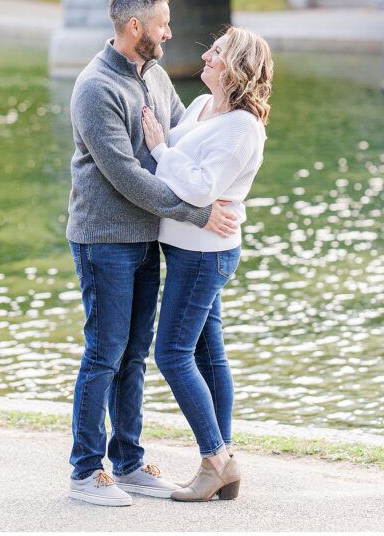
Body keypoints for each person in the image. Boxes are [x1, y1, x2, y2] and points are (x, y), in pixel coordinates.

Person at [66, 0, 240, 507]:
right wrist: (198, 213)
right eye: (162, 23)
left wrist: (234, 127)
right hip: (105, 239)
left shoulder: (156, 76)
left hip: (147, 236)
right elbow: (124, 175)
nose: (170, 32)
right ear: (135, 27)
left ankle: (129, 461)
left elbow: (181, 139)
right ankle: (85, 471)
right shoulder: (96, 87)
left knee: (135, 354)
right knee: (104, 352)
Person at [140, 25, 273, 502]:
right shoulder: (200, 107)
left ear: (235, 67)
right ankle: (223, 464)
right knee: (207, 354)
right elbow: (189, 175)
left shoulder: (241, 127)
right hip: (185, 248)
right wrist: (165, 153)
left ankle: (215, 459)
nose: (206, 56)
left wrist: (159, 149)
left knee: (172, 354)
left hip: (204, 256)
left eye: (215, 53)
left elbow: (198, 187)